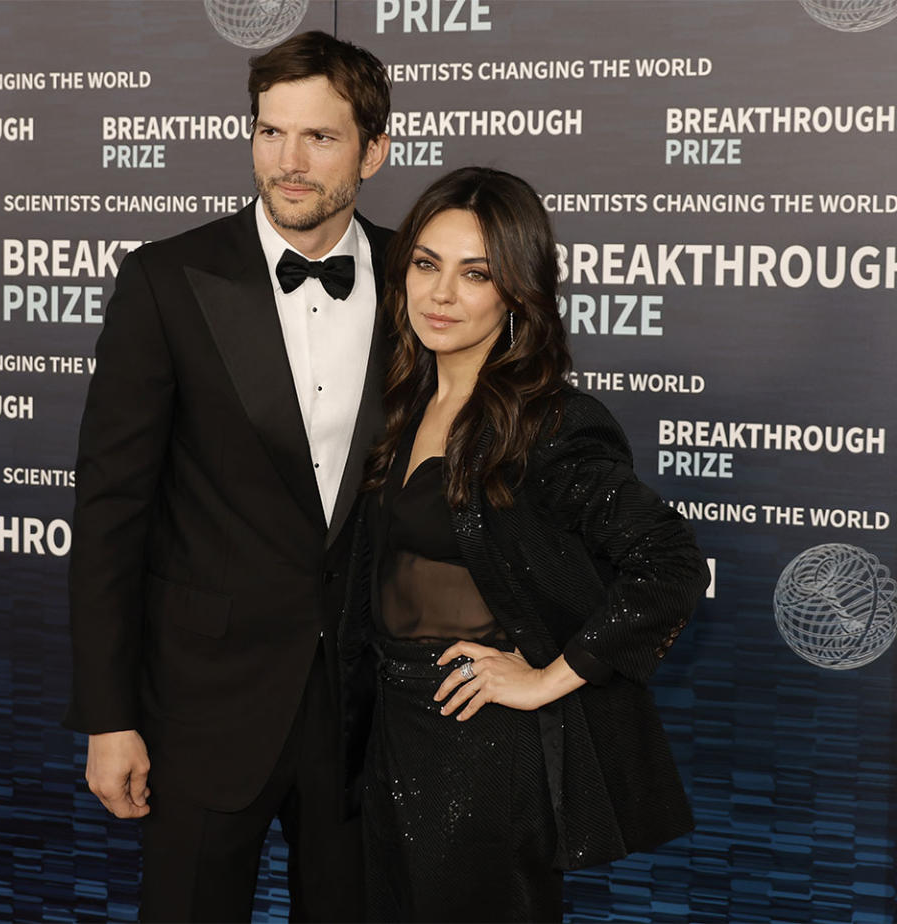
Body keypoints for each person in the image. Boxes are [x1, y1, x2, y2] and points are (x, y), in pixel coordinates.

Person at [63, 31, 392, 923]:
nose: (288, 162)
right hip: (200, 709)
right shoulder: (168, 280)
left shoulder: (419, 284)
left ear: (375, 149)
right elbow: (110, 513)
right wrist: (108, 715)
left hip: (368, 715)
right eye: (269, 132)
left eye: (319, 137)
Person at [338, 167, 710, 923]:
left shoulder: (548, 424)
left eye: (475, 274)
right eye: (426, 264)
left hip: (485, 752)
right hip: (388, 732)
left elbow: (669, 566)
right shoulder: (400, 400)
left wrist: (545, 678)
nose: (441, 294)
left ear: (516, 291)